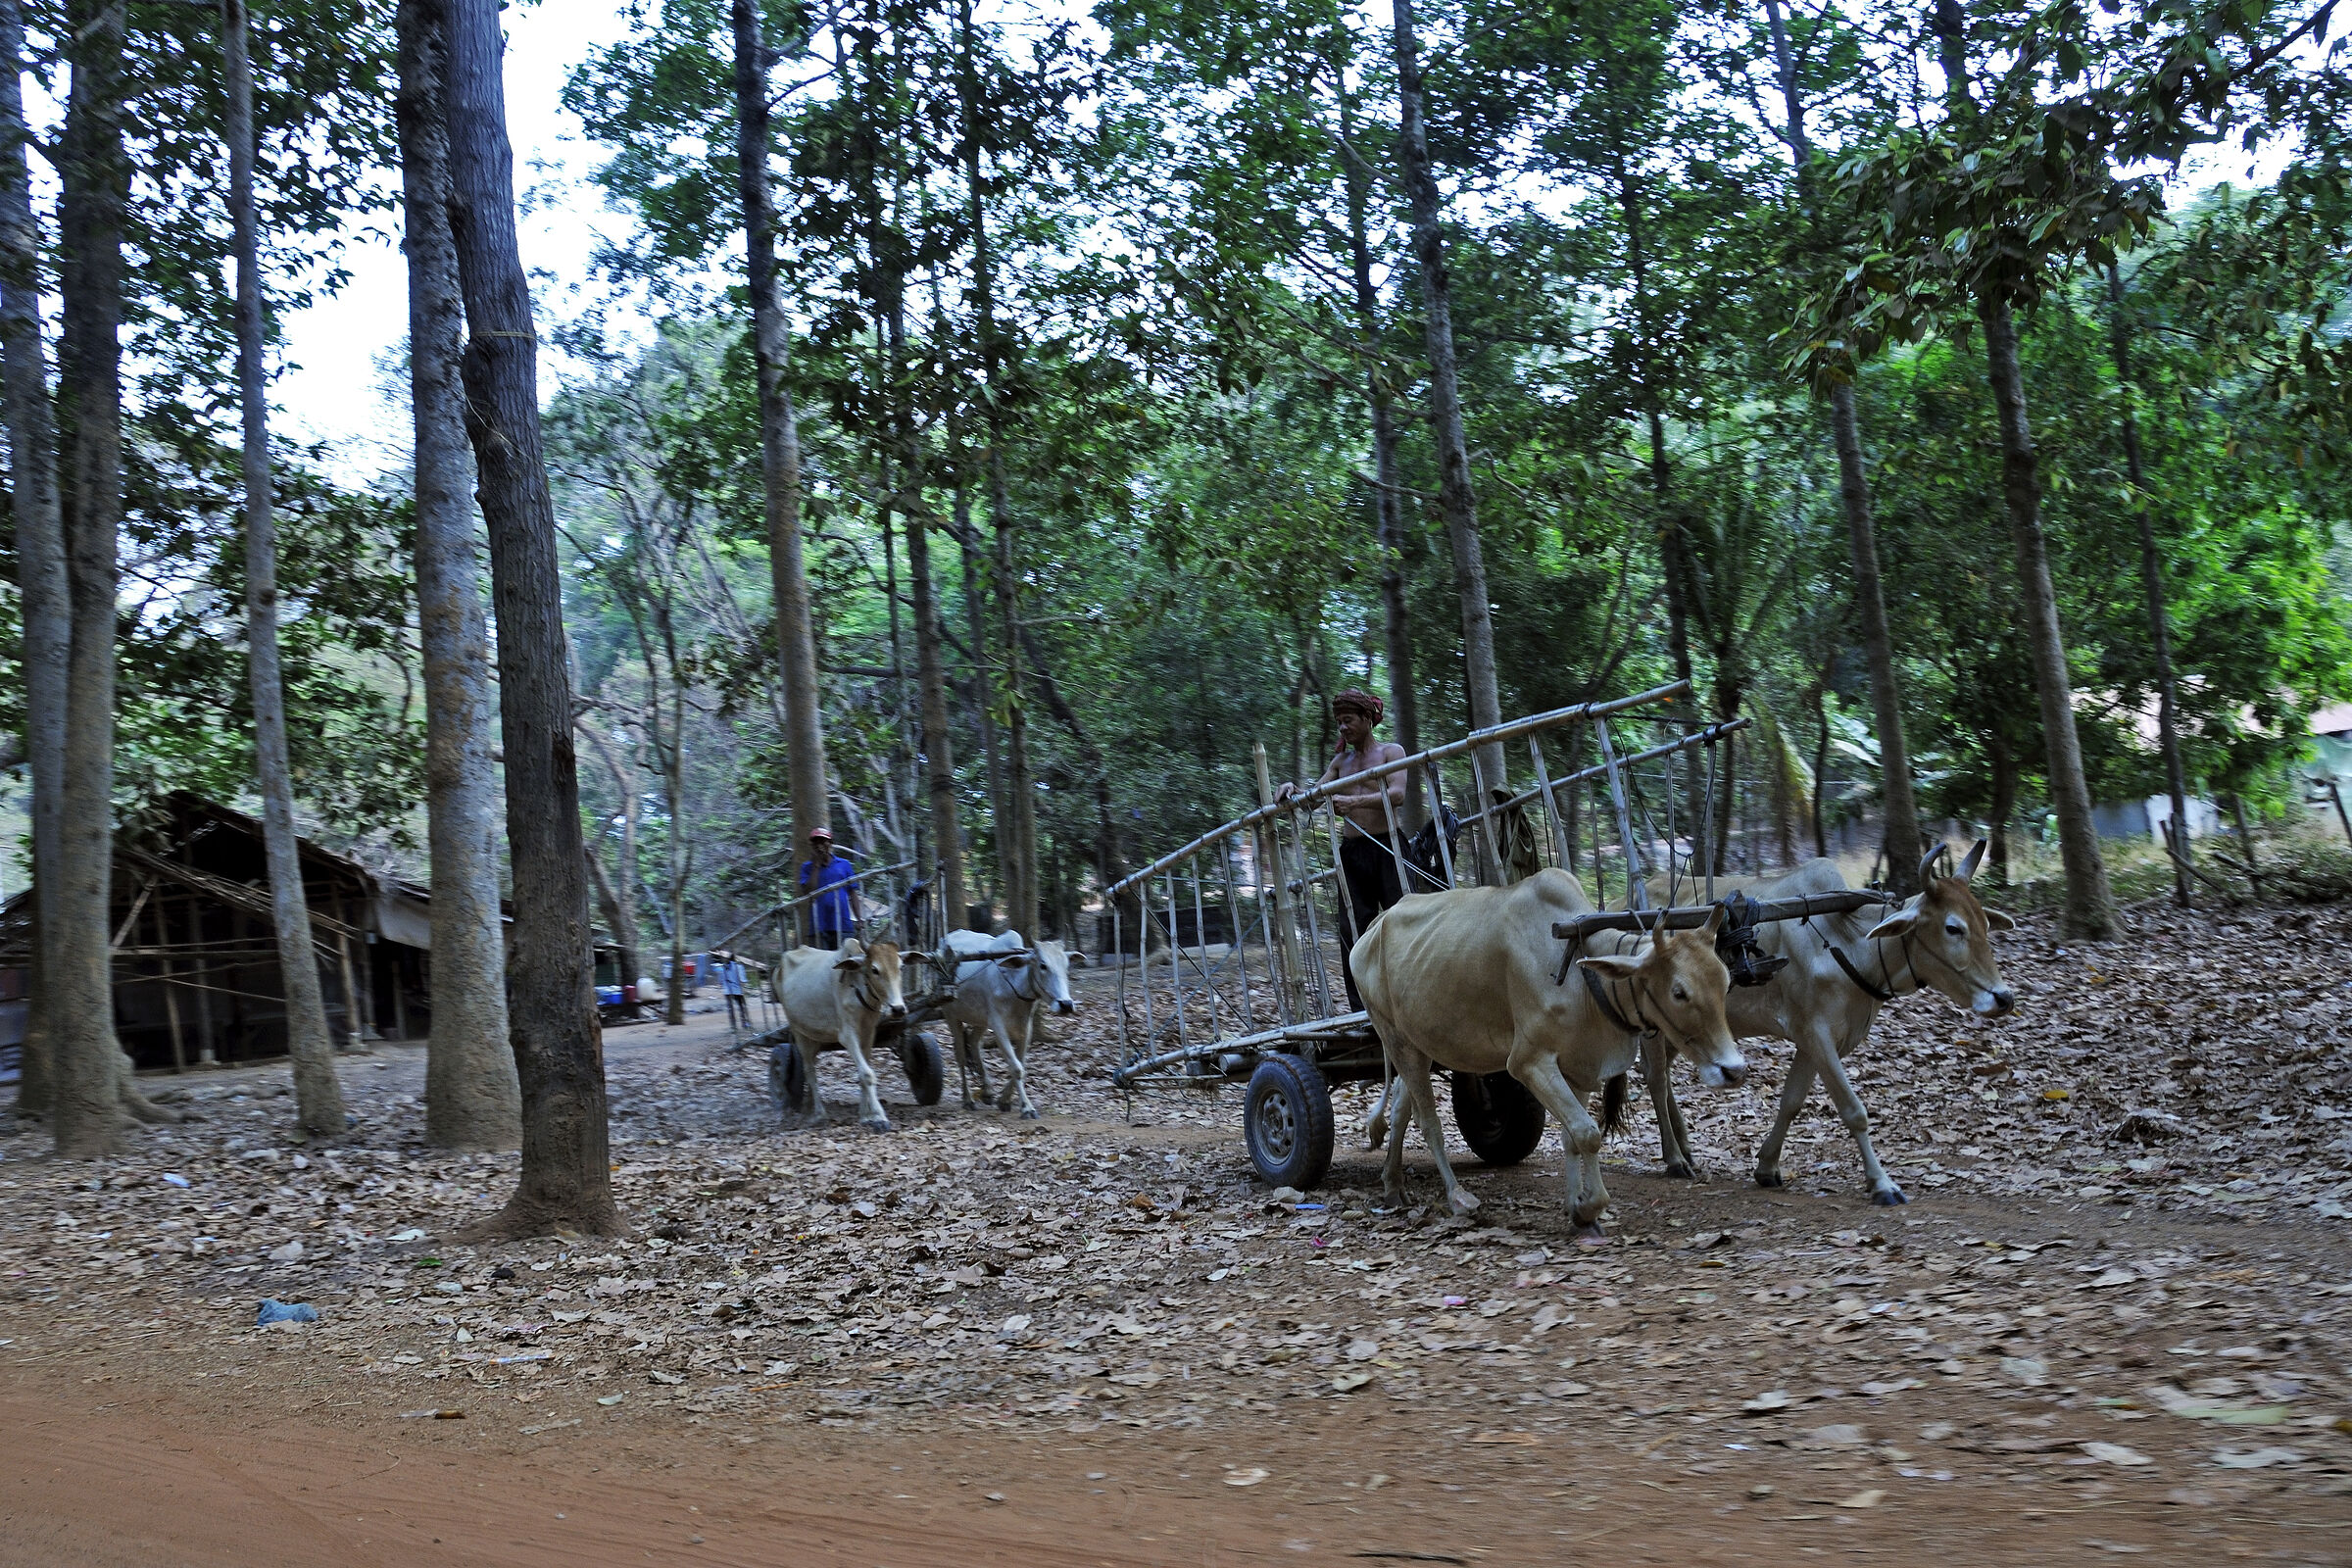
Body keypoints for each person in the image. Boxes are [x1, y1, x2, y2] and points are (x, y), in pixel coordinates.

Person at [1281, 689, 1408, 1010]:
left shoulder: (1392, 752)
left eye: (1348, 720)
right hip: (1353, 853)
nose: (1342, 728)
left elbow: (1397, 794)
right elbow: (1315, 795)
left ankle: (1414, 1002)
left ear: (1368, 719)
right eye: (1338, 722)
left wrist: (1353, 801)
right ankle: (1361, 1009)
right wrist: (1294, 790)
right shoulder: (1340, 762)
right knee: (1352, 928)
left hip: (1390, 847)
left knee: (1406, 923)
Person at [799, 827, 860, 951]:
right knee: (821, 964)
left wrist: (859, 919)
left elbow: (853, 893)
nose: (819, 845)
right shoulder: (807, 867)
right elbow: (808, 891)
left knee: (845, 963)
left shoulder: (844, 864)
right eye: (816, 842)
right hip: (819, 926)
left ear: (830, 843)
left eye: (823, 841)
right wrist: (816, 865)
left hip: (842, 924)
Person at [717, 952, 751, 1031]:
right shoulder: (739, 967)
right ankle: (744, 1023)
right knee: (742, 1006)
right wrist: (744, 988)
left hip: (727, 990)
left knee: (730, 1008)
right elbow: (742, 980)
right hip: (737, 990)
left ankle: (733, 1026)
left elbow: (721, 981)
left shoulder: (723, 968)